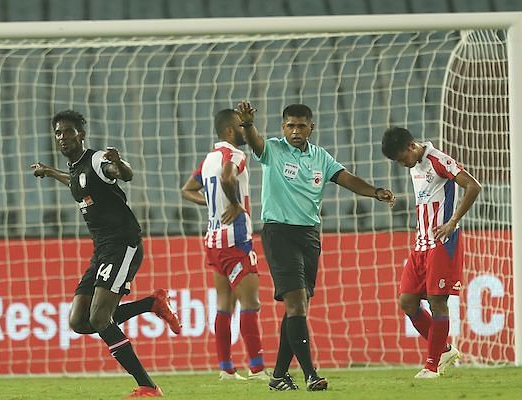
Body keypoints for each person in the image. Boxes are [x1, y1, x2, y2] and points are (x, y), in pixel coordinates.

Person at [235, 101, 395, 391]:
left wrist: (375, 192)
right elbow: (255, 143)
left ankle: (278, 376)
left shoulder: (320, 156)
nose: (295, 131)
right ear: (283, 127)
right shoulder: (273, 149)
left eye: (301, 126)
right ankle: (311, 374)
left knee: (297, 308)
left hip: (309, 235)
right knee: (296, 304)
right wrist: (247, 124)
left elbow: (346, 179)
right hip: (279, 233)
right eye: (290, 126)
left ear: (311, 127)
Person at [31, 110, 181, 399]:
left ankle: (149, 387)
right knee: (79, 321)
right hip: (101, 250)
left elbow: (124, 174)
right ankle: (152, 303)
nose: (63, 137)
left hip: (123, 243)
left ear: (81, 135)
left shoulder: (98, 160)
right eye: (58, 132)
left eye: (69, 131)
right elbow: (77, 182)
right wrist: (50, 172)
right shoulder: (76, 169)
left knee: (101, 319)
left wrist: (119, 163)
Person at [381, 127, 481, 378]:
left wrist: (453, 222)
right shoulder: (416, 164)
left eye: (402, 158)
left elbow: (473, 186)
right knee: (407, 301)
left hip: (441, 242)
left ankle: (432, 366)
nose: (402, 164)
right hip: (420, 244)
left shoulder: (439, 160)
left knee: (438, 302)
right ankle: (444, 350)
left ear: (411, 146)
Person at [181, 108, 269, 381]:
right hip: (235, 239)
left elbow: (187, 190)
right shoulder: (235, 155)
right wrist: (234, 204)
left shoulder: (208, 160)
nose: (246, 131)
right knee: (251, 303)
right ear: (231, 131)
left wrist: (214, 204)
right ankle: (256, 369)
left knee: (224, 305)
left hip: (213, 239)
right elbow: (228, 177)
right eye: (242, 127)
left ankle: (226, 369)